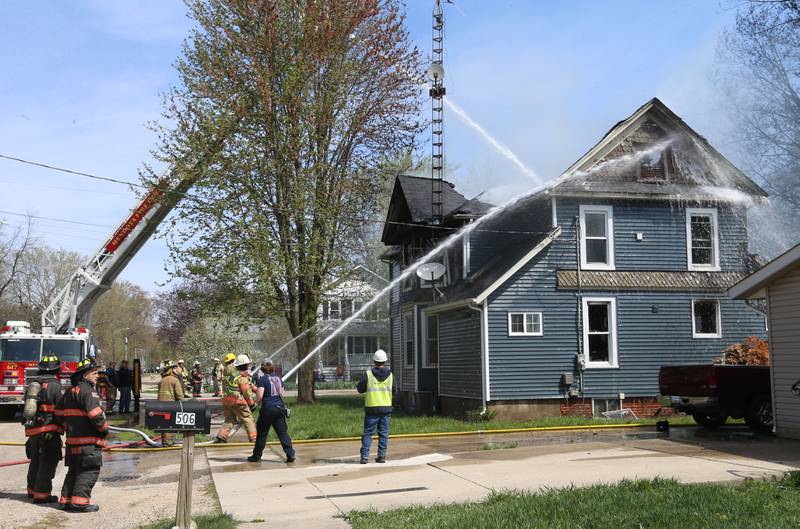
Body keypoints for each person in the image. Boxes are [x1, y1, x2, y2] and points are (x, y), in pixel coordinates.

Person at [56, 358, 108, 512]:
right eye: (94, 373)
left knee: (74, 471)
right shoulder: (88, 392)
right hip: (88, 443)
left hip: (72, 442)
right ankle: (79, 503)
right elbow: (96, 415)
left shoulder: (70, 391)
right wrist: (104, 429)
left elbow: (58, 414)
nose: (97, 376)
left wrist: (69, 427)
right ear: (85, 375)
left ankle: (66, 501)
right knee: (89, 470)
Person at [24, 355, 64, 504]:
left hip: (33, 431)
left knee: (35, 460)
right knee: (48, 461)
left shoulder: (33, 384)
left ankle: (32, 490)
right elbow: (61, 409)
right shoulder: (55, 386)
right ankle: (42, 495)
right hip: (49, 430)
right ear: (57, 369)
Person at [248, 360, 295, 463]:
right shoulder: (279, 379)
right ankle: (290, 454)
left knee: (262, 433)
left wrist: (255, 404)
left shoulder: (262, 380)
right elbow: (282, 393)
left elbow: (259, 397)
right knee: (282, 433)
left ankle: (256, 456)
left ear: (262, 368)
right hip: (279, 409)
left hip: (268, 410)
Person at [357, 349, 396, 464]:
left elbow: (360, 389)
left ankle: (364, 457)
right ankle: (381, 456)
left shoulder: (368, 374)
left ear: (374, 361)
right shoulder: (391, 375)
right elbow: (394, 391)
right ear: (385, 361)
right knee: (383, 433)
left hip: (372, 408)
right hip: (385, 408)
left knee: (368, 433)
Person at [215, 354, 257, 443]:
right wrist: (251, 404)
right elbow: (246, 392)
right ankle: (254, 438)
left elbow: (248, 384)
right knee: (247, 418)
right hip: (238, 401)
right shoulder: (241, 377)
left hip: (226, 400)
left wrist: (256, 389)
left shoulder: (231, 374)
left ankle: (221, 436)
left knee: (229, 419)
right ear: (246, 365)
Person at [157, 360, 184, 447]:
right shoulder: (174, 380)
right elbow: (179, 395)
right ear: (172, 369)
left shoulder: (162, 380)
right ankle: (168, 442)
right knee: (170, 423)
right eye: (175, 368)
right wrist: (184, 405)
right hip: (170, 404)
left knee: (163, 423)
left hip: (160, 405)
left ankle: (164, 441)